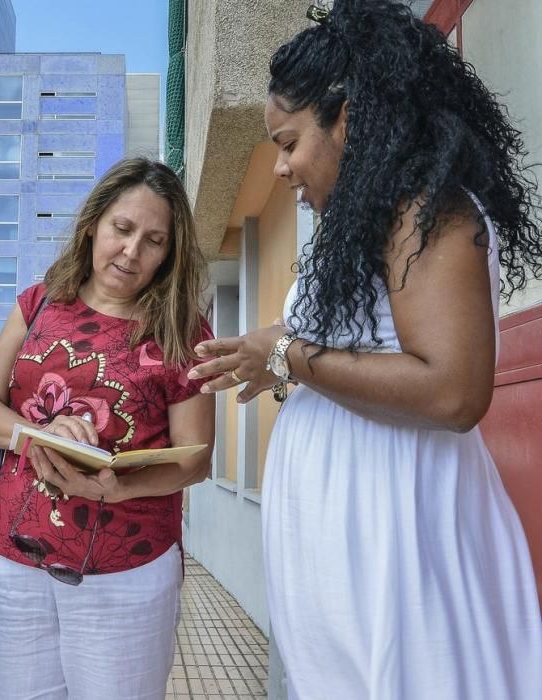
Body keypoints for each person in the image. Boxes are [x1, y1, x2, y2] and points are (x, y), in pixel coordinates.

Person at [189, 2, 542, 698]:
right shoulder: (365, 224)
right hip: (364, 542)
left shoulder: (426, 210)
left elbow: (451, 391)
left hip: (401, 542)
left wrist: (286, 355)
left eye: (288, 142)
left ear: (346, 116)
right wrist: (280, 361)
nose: (283, 167)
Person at [0, 156, 215, 699]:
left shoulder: (183, 329)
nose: (132, 251)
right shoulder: (38, 303)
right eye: (122, 229)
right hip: (16, 557)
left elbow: (194, 458)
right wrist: (41, 436)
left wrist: (119, 485)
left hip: (125, 569)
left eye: (154, 240)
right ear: (93, 225)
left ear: (170, 252)